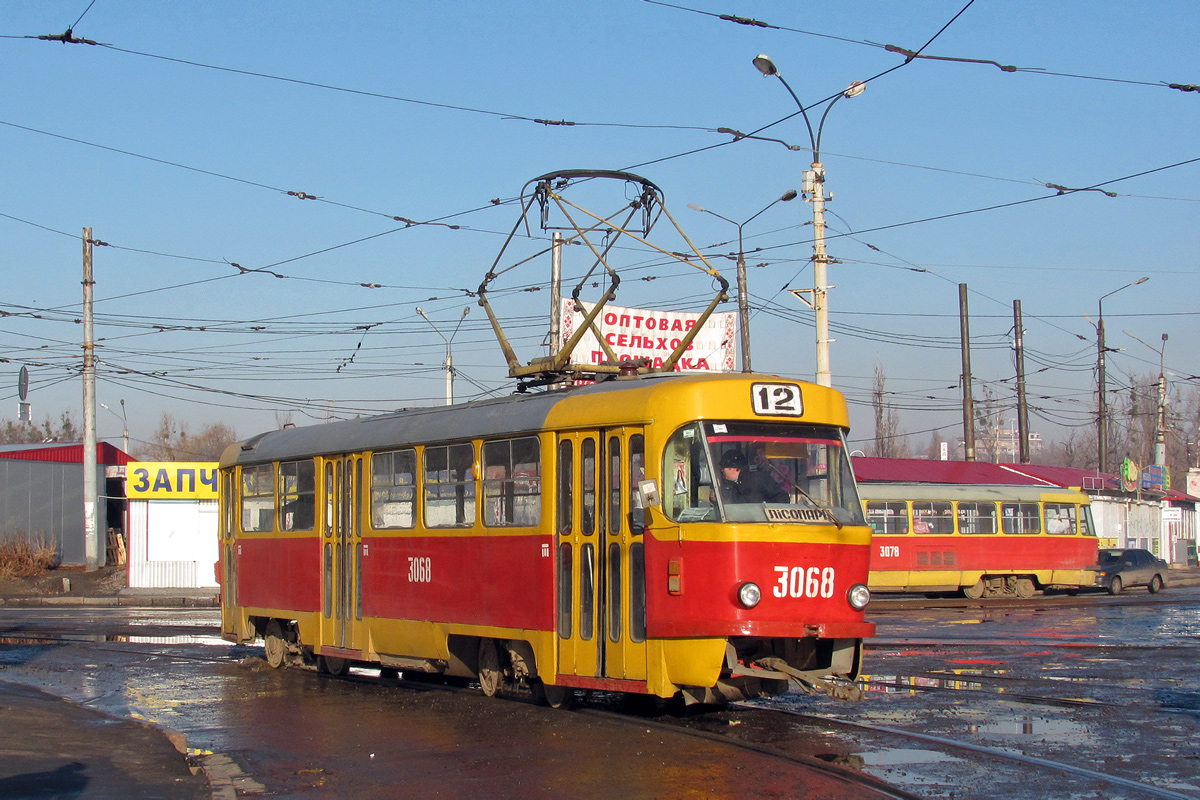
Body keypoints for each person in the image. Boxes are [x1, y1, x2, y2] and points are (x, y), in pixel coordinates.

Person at [716, 449, 788, 504]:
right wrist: (717, 498)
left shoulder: (757, 478)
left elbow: (781, 497)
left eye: (723, 468)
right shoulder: (733, 484)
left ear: (733, 468)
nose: (722, 471)